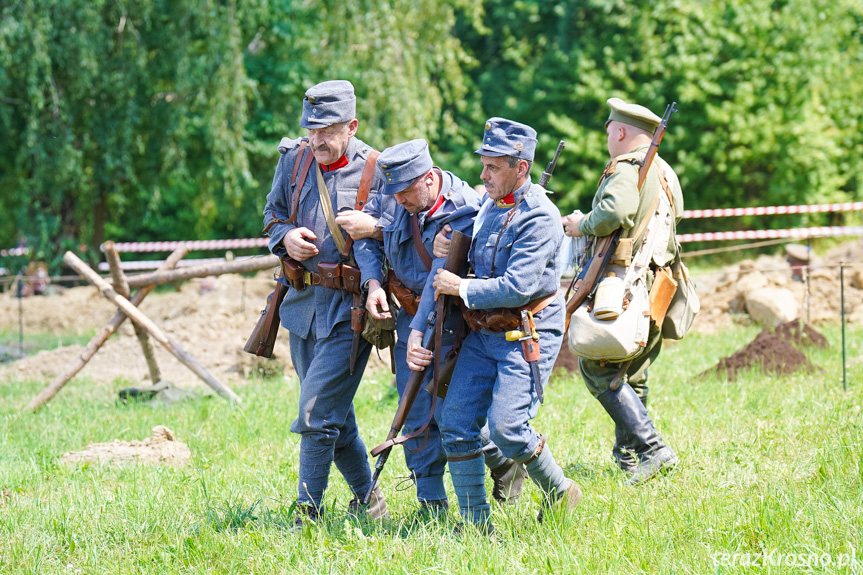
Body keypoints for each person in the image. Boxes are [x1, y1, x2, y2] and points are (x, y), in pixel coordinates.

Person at [353, 139, 528, 519]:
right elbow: (366, 241)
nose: (398, 201)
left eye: (406, 193)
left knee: (452, 412)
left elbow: (448, 273)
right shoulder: (392, 196)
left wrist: (420, 327)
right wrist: (374, 283)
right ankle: (431, 505)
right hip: (409, 316)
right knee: (414, 411)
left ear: (429, 179)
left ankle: (501, 463)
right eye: (394, 193)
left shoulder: (465, 207)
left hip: (453, 322)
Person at [432, 118, 582, 532]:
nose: (483, 175)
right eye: (483, 165)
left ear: (521, 167)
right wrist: (443, 240)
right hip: (485, 330)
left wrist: (461, 287)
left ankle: (559, 491)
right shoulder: (489, 203)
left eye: (493, 167)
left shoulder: (541, 217)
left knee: (509, 427)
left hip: (527, 329)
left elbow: (518, 287)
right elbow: (463, 230)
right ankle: (476, 524)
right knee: (456, 421)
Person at [262, 80, 387, 526]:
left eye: (328, 131)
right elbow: (272, 214)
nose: (317, 140)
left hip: (350, 312)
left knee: (316, 414)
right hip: (301, 304)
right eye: (311, 130)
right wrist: (285, 237)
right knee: (336, 416)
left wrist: (374, 226)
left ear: (351, 126)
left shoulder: (378, 169)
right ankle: (370, 500)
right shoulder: (294, 161)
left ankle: (306, 515)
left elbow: (403, 228)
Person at [562, 97, 682, 485]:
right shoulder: (664, 171)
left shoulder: (628, 168)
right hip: (658, 284)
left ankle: (651, 449)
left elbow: (614, 213)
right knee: (634, 369)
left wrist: (581, 225)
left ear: (619, 132)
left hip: (627, 283)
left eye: (609, 131)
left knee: (597, 365)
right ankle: (629, 459)